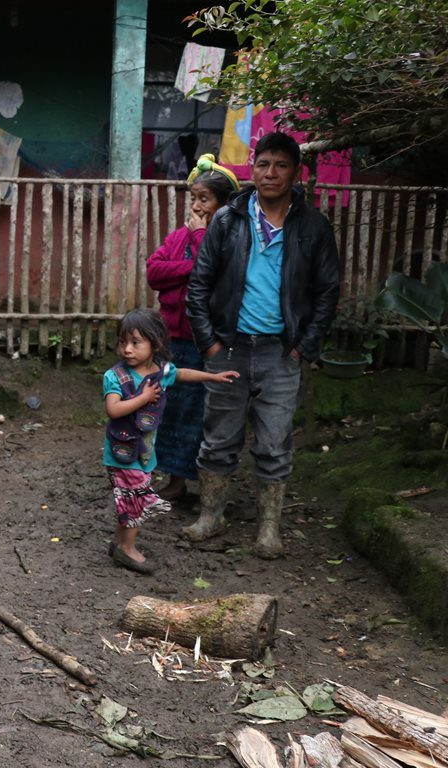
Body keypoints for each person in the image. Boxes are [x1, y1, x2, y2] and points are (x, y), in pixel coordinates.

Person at [184, 131, 341, 559]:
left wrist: (301, 348)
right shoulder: (228, 219)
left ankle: (269, 528)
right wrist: (211, 347)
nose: (270, 173)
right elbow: (199, 286)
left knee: (274, 443)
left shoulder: (312, 225)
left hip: (280, 351)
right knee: (218, 438)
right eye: (263, 164)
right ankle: (210, 515)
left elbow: (328, 291)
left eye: (280, 165)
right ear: (252, 169)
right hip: (229, 347)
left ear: (295, 172)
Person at [103, 309, 239, 574]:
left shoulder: (159, 370)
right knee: (137, 499)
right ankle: (127, 550)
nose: (127, 349)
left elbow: (181, 374)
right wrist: (143, 398)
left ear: (155, 343)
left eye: (135, 342)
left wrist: (212, 376)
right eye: (123, 342)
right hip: (123, 453)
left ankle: (119, 543)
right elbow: (114, 410)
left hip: (144, 452)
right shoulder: (115, 377)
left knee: (131, 499)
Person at [146, 155, 240, 503]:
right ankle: (175, 480)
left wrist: (200, 238)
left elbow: (213, 275)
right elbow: (154, 273)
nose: (197, 206)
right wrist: (189, 265)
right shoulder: (177, 237)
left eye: (205, 199)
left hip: (210, 340)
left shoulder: (230, 237)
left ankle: (208, 483)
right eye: (195, 198)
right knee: (172, 408)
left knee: (205, 411)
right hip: (175, 337)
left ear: (223, 203)